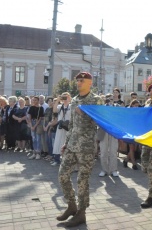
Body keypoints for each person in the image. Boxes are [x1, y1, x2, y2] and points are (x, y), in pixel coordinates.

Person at [57, 72, 101, 227]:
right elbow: (72, 125)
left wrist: (87, 113)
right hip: (72, 144)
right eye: (78, 80)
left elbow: (101, 121)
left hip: (86, 147)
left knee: (82, 180)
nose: (79, 83)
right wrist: (66, 142)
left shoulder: (96, 100)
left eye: (82, 81)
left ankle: (81, 213)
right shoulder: (74, 100)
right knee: (62, 175)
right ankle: (71, 205)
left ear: (90, 83)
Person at [52, 93, 72, 166]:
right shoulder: (60, 106)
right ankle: (57, 160)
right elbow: (54, 110)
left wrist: (70, 100)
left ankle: (66, 160)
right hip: (60, 127)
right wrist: (57, 100)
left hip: (68, 126)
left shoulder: (71, 106)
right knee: (58, 142)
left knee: (67, 143)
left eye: (66, 97)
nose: (65, 99)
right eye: (63, 97)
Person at [122, 99, 140, 170]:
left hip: (136, 132)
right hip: (129, 132)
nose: (137, 107)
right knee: (131, 148)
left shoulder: (138, 112)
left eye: (138, 106)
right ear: (132, 105)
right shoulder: (128, 112)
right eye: (135, 105)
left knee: (134, 149)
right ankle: (134, 164)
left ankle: (126, 160)